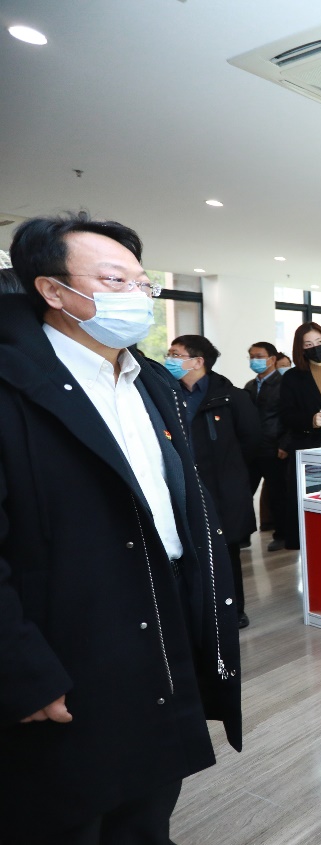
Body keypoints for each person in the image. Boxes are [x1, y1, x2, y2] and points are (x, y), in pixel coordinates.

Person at [0, 213, 241, 843]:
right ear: (52, 290)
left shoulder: (149, 380)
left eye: (142, 284)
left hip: (163, 604)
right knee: (69, 805)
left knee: (152, 791)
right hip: (68, 630)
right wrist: (20, 670)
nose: (137, 297)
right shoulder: (14, 386)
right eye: (115, 281)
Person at [167, 335, 262, 628]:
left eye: (176, 355)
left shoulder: (232, 398)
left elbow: (253, 446)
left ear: (198, 362)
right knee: (187, 551)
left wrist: (238, 483)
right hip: (182, 487)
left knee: (226, 553)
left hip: (223, 490)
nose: (169, 360)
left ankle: (233, 611)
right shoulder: (167, 395)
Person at [277, 322, 321, 550]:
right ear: (300, 349)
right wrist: (310, 420)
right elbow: (286, 415)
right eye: (308, 344)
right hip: (312, 448)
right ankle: (317, 550)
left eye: (319, 342)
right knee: (317, 501)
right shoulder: (292, 377)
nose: (315, 347)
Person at [244, 341, 287, 552]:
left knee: (277, 494)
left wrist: (284, 444)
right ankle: (243, 534)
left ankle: (282, 535)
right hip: (252, 448)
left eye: (259, 356)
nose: (255, 360)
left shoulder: (283, 384)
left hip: (274, 447)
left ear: (272, 359)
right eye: (251, 356)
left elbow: (286, 417)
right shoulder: (250, 386)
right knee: (244, 492)